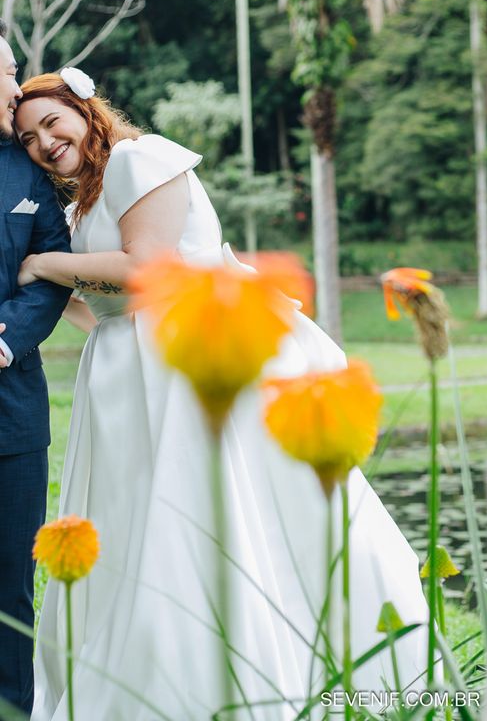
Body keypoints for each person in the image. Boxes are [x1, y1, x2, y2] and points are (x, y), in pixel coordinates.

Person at [14, 70, 429, 720]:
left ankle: (251, 668)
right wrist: (70, 306)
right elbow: (101, 298)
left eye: (52, 122)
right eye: (29, 136)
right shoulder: (77, 206)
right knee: (137, 522)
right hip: (127, 376)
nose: (43, 141)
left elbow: (154, 268)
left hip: (191, 358)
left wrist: (45, 265)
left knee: (206, 508)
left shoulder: (139, 159)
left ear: (84, 110)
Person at [0, 22, 72, 716]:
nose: (15, 85)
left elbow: (52, 272)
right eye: (3, 72)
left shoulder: (29, 171)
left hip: (12, 415)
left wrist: (6, 340)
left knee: (11, 585)